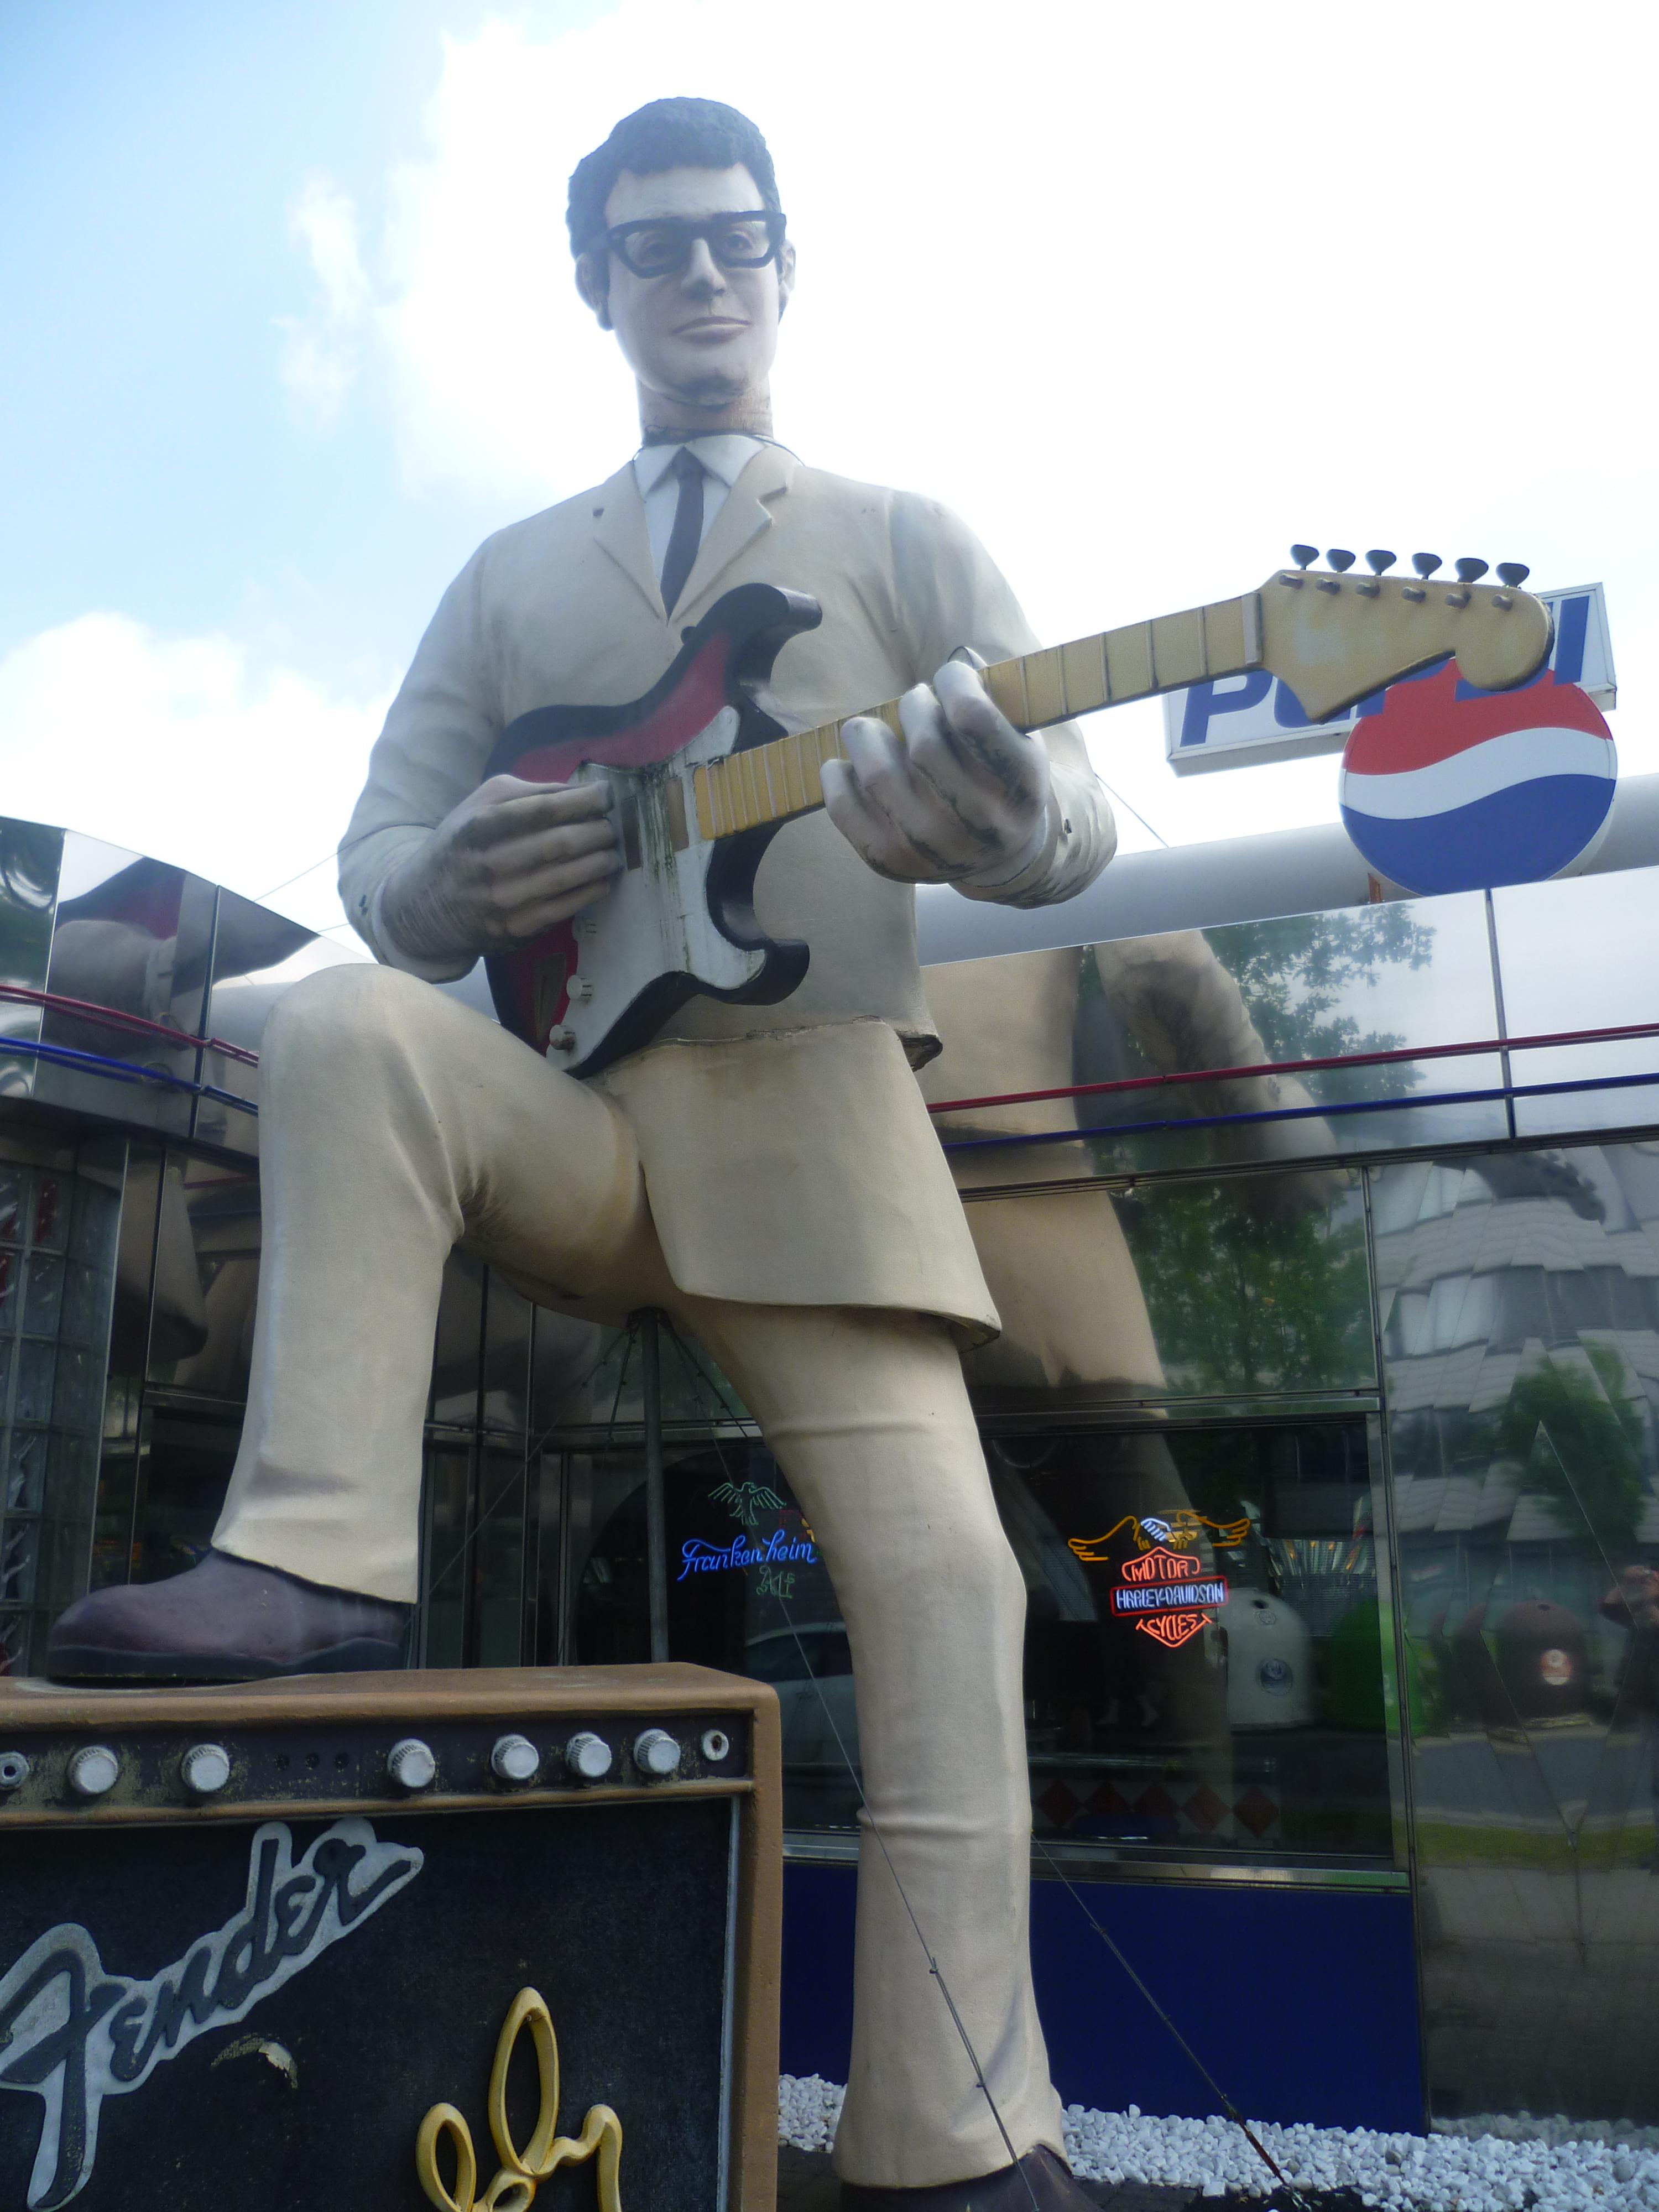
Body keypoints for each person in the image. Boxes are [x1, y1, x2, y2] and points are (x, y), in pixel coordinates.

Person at [49, 98, 1118, 2208]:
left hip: (811, 1126)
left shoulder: (905, 536)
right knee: (343, 1023)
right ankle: (314, 1566)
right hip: (571, 1119)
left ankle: (963, 2139)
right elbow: (380, 864)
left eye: (734, 237)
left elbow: (1070, 808)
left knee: (944, 1593)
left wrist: (1013, 830)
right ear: (597, 287)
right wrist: (444, 880)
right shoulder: (506, 577)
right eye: (653, 247)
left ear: (788, 266)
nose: (699, 275)